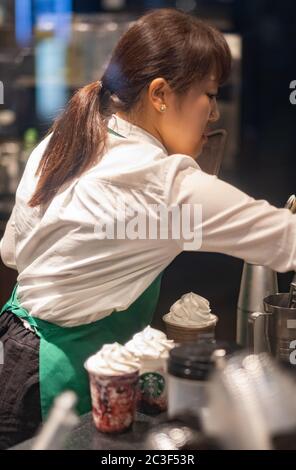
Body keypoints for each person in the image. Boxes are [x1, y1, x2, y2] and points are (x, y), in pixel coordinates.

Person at [0, 8, 296, 449]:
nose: (213, 114)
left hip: (12, 353)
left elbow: (11, 250)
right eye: (209, 95)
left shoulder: (67, 139)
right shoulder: (160, 183)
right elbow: (284, 239)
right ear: (160, 94)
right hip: (55, 382)